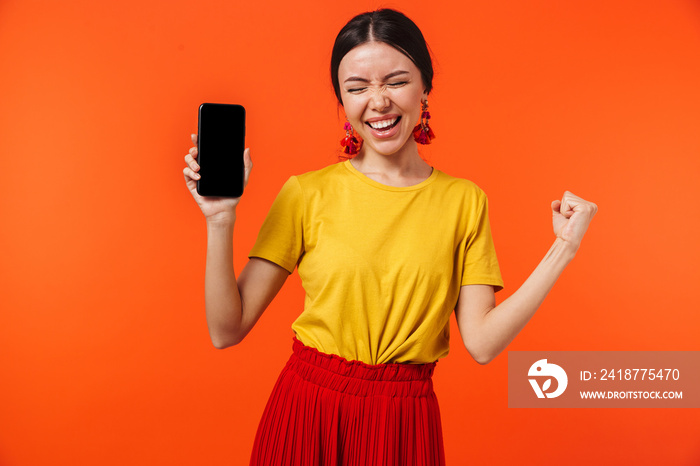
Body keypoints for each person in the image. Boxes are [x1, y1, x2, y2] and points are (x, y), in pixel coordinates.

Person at [182, 8, 597, 466]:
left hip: (404, 422)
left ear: (425, 88)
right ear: (342, 101)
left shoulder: (464, 201)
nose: (377, 102)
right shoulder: (307, 193)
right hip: (307, 412)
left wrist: (564, 248)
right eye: (356, 89)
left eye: (395, 81)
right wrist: (220, 220)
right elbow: (226, 331)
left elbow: (481, 344)